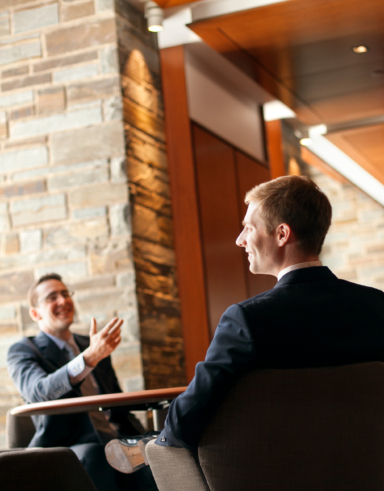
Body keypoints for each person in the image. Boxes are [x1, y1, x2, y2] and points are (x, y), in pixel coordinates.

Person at [106, 175, 384, 469]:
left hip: (275, 471)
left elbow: (188, 417)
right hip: (368, 466)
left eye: (248, 228)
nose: (240, 239)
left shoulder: (248, 319)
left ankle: (146, 445)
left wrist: (160, 439)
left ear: (281, 234)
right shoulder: (377, 306)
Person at [7, 273, 157, 491]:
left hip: (116, 437)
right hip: (70, 443)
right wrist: (87, 359)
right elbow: (37, 391)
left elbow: (117, 401)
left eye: (65, 293)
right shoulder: (22, 350)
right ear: (35, 313)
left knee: (156, 448)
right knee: (95, 454)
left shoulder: (90, 344)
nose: (63, 300)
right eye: (52, 297)